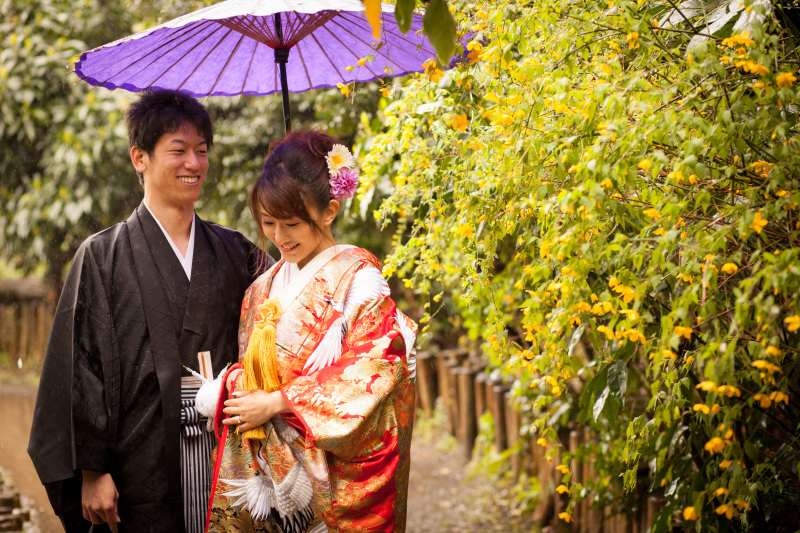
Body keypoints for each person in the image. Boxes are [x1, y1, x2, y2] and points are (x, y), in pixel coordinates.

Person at [27, 89, 270, 533]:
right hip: (139, 468)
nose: (194, 164)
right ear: (140, 158)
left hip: (231, 459)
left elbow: (288, 319)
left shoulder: (236, 251)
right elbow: (79, 369)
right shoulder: (101, 257)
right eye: (178, 150)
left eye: (202, 150)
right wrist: (92, 470)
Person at [202, 131, 417, 533]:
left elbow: (371, 371)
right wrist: (237, 389)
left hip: (329, 472)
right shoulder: (261, 290)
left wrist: (277, 402)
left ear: (329, 211)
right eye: (268, 223)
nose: (279, 237)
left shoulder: (360, 282)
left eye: (292, 223)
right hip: (270, 469)